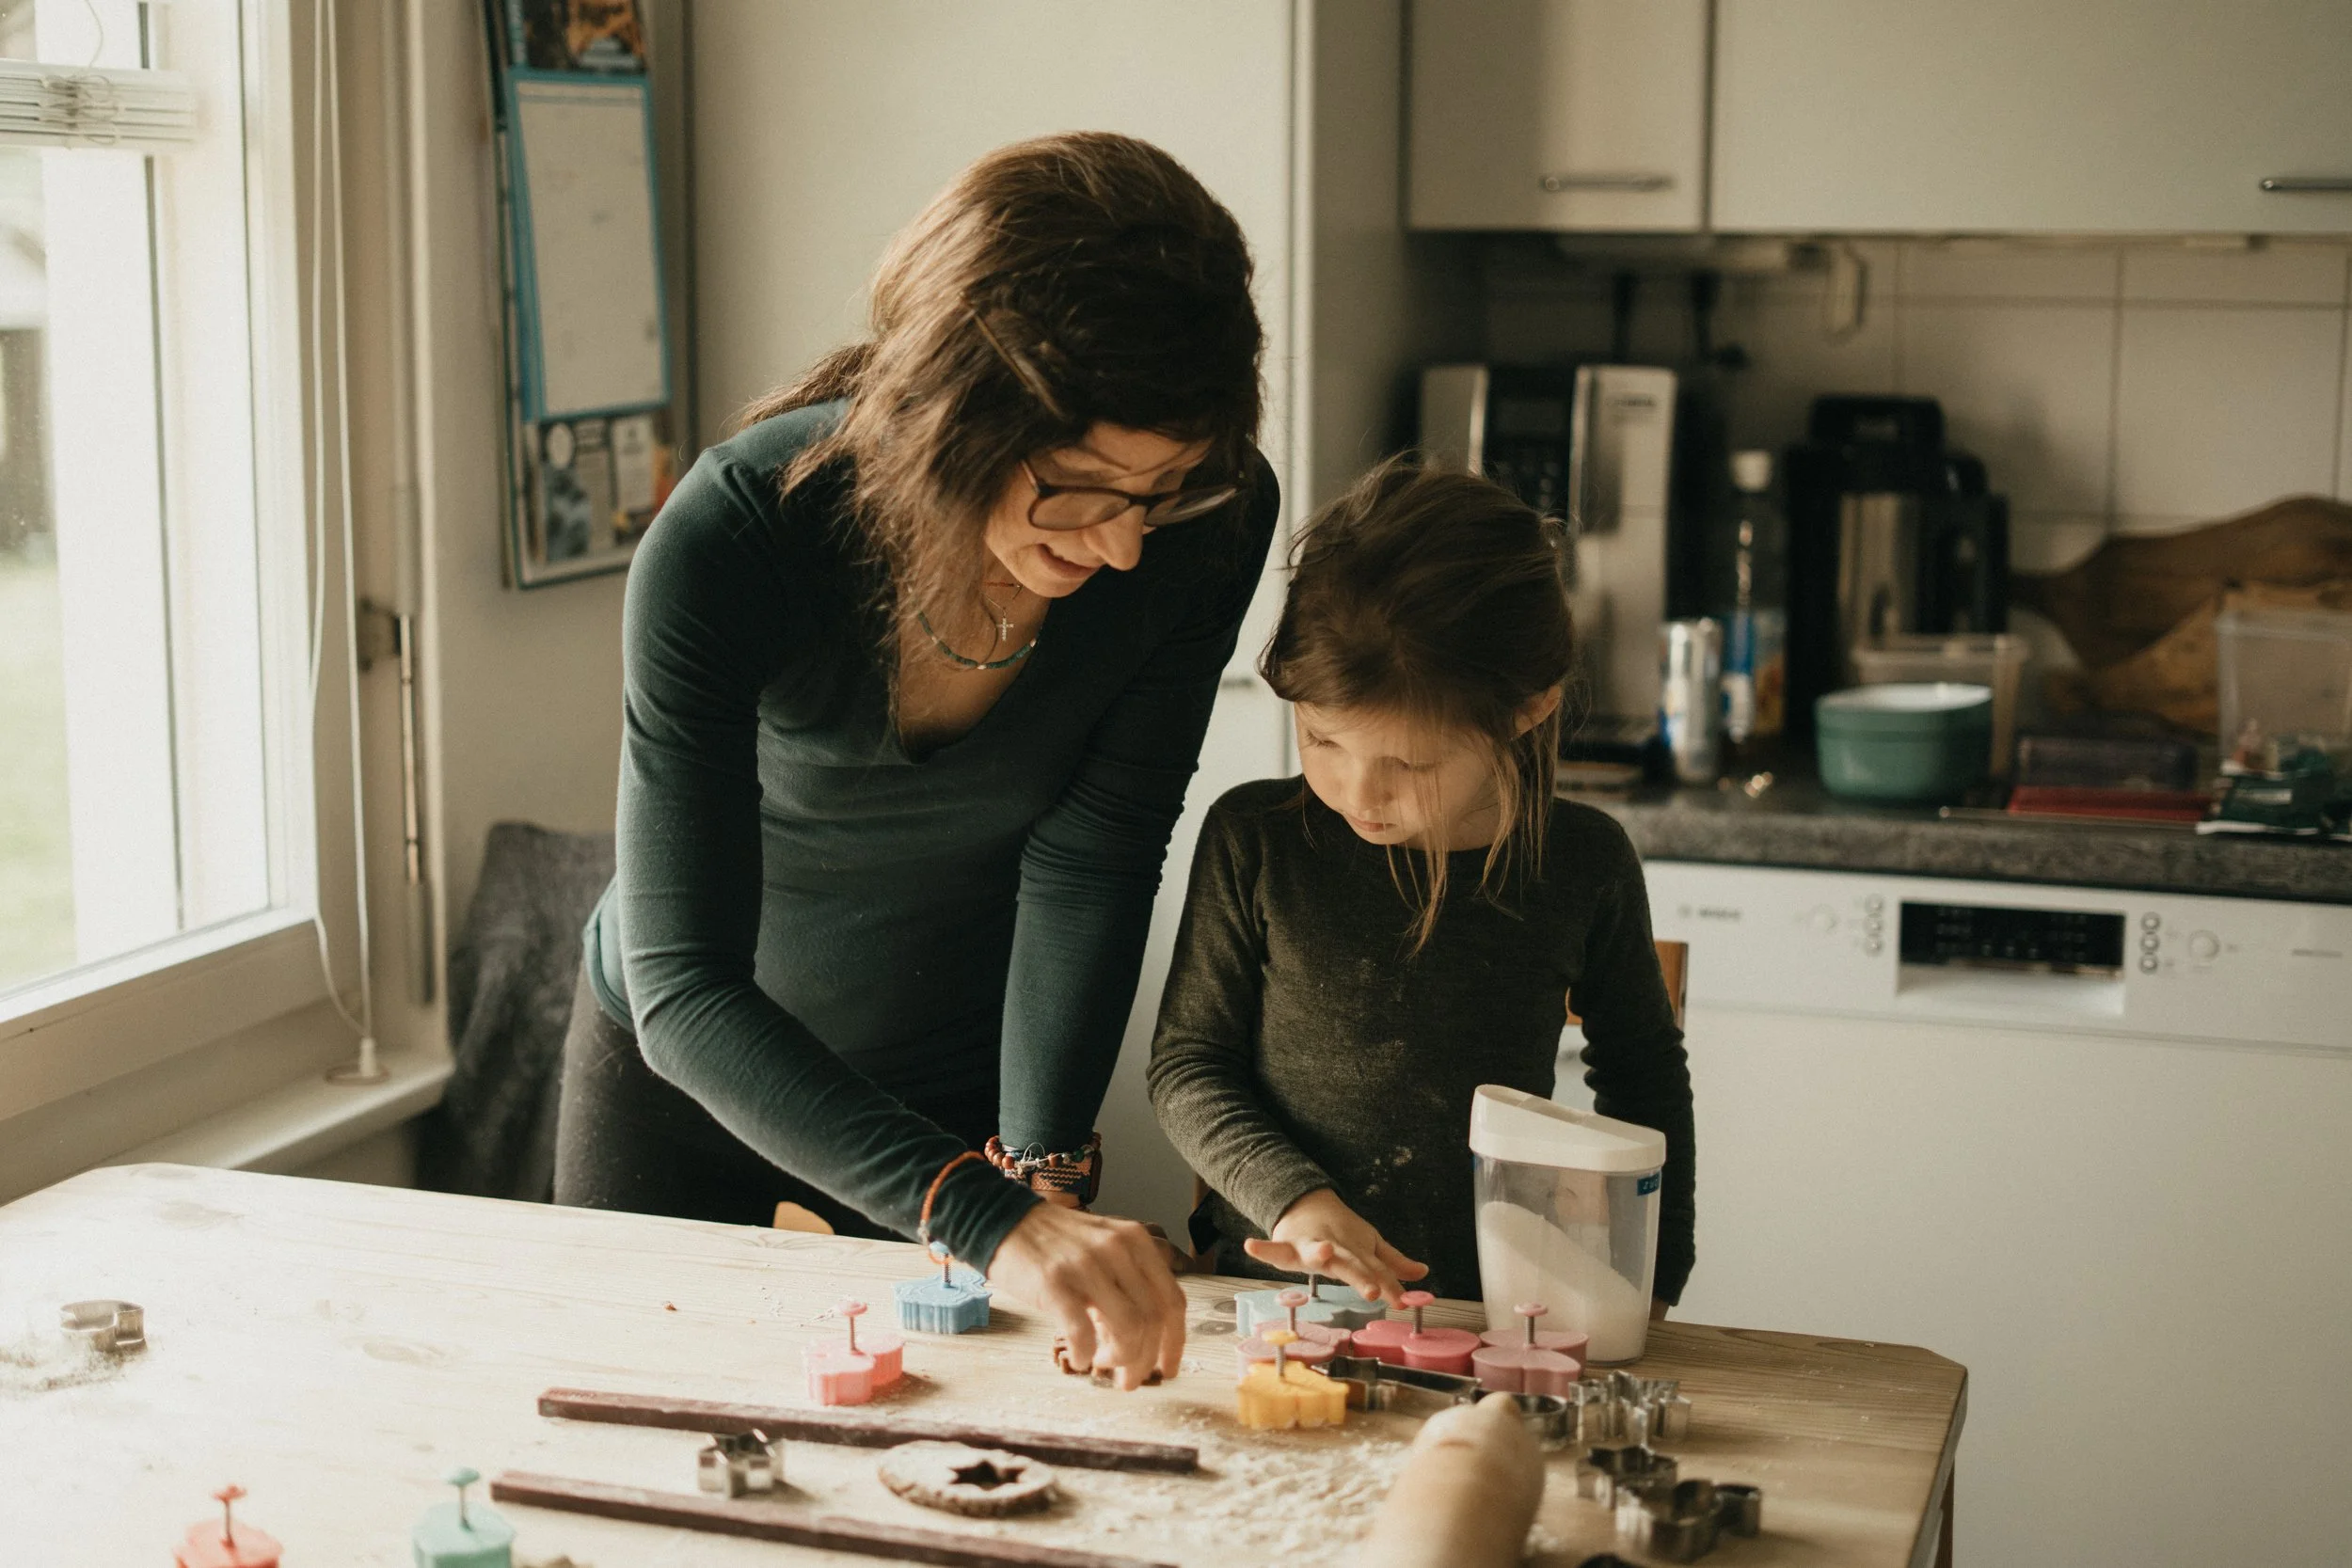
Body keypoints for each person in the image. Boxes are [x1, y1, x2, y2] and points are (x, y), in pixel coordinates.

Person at [554, 133, 1279, 1387]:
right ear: (951, 416)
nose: (1119, 547)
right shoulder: (734, 539)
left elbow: (1095, 851)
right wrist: (988, 1217)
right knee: (636, 1420)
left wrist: (1043, 1169)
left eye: (1157, 492)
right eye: (1076, 488)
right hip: (682, 1060)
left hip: (951, 1071)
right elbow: (685, 983)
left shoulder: (1205, 528)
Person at [1148, 457, 1694, 1308]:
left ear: (1527, 710)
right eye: (1323, 740)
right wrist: (1296, 1199)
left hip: (1497, 1308)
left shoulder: (1583, 862)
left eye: (1410, 763)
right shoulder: (1253, 841)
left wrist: (1651, 1283)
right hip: (1276, 1300)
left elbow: (1644, 1077)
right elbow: (1188, 1067)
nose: (1358, 793)